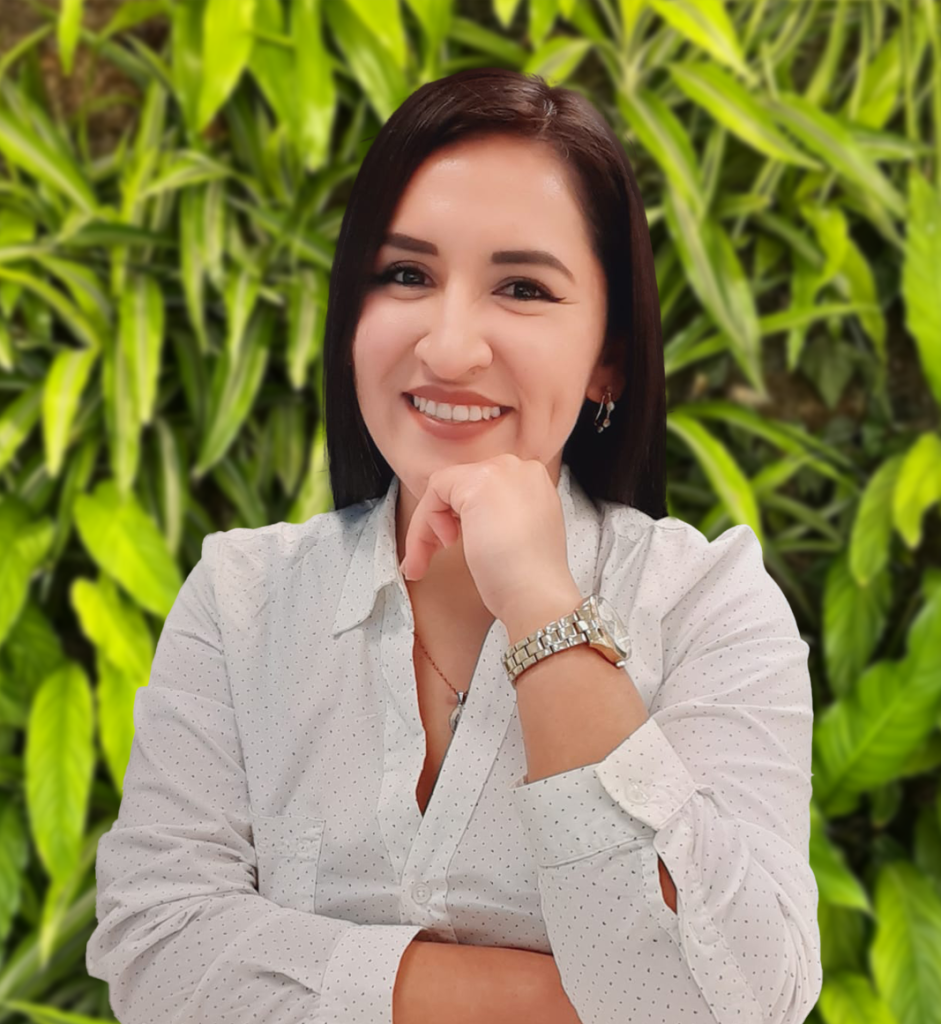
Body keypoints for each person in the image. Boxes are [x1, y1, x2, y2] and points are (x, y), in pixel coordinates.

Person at [86, 68, 823, 1024]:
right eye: (406, 275)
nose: (447, 346)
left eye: (522, 287)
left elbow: (744, 998)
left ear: (607, 357)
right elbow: (156, 949)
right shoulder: (244, 600)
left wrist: (542, 607)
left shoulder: (706, 606)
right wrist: (567, 999)